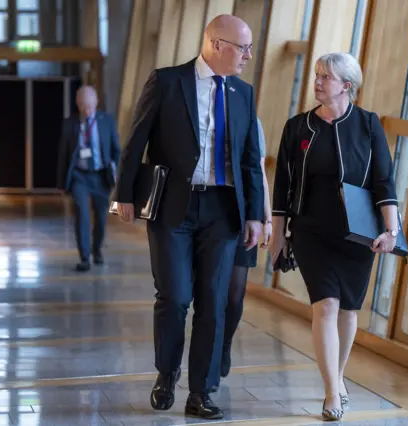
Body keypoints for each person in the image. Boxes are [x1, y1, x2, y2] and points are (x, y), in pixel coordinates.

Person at [114, 15, 264, 420]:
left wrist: (257, 216)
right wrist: (123, 195)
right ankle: (167, 372)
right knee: (175, 297)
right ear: (216, 44)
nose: (248, 56)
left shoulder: (243, 94)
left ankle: (202, 392)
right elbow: (136, 140)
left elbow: (250, 159)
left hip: (223, 210)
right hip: (172, 207)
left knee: (213, 303)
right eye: (242, 47)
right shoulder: (167, 82)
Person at [269, 52, 398, 421]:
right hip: (311, 230)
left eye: (327, 77)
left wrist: (391, 231)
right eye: (317, 75)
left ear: (347, 86)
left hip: (358, 235)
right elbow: (283, 187)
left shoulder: (369, 125)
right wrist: (278, 238)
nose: (318, 82)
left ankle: (338, 377)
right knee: (325, 305)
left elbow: (384, 181)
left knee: (348, 309)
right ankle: (331, 393)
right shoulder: (297, 127)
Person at [220, 117, 272, 381]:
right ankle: (208, 346)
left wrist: (267, 218)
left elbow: (259, 171)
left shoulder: (250, 118)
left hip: (243, 215)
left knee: (234, 295)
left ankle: (224, 343)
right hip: (208, 211)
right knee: (207, 291)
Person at [57, 85, 120, 272]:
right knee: (82, 216)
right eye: (83, 106)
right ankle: (84, 258)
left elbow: (116, 149)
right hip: (80, 176)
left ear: (96, 103)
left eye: (90, 106)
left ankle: (97, 250)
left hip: (101, 176)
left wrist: (113, 168)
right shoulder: (70, 124)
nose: (87, 110)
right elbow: (63, 154)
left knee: (101, 217)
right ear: (78, 105)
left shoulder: (106, 121)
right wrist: (61, 183)